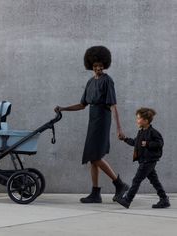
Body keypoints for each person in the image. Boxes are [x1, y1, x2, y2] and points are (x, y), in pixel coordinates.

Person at [55, 46, 128, 203]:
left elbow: (113, 105)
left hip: (102, 119)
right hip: (92, 120)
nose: (98, 68)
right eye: (95, 66)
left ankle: (119, 184)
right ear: (91, 66)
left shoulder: (108, 81)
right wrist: (63, 108)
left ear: (105, 65)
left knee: (95, 156)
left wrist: (119, 128)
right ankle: (95, 193)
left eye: (101, 65)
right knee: (92, 157)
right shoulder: (90, 82)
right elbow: (82, 105)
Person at [117, 107, 170, 209]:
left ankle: (127, 200)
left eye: (138, 118)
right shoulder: (141, 132)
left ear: (146, 121)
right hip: (144, 160)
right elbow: (135, 143)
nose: (137, 120)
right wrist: (124, 139)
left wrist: (148, 143)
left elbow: (160, 143)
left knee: (136, 180)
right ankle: (164, 199)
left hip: (148, 161)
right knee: (154, 181)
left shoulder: (153, 132)